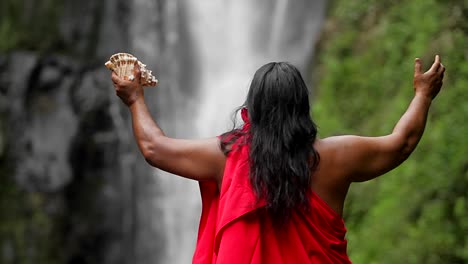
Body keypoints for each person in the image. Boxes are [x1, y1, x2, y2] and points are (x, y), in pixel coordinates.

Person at [111, 55, 445, 263]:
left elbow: (155, 148)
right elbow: (401, 143)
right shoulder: (336, 157)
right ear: (303, 106)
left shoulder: (225, 156)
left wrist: (135, 99)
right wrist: (423, 95)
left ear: (250, 107)